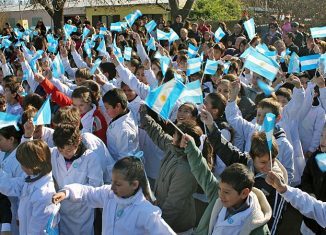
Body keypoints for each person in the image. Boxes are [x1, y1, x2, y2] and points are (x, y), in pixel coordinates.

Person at [200, 107, 287, 234]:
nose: (269, 166)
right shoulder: (242, 161)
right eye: (263, 162)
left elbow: (274, 217)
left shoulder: (277, 181)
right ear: (252, 157)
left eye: (272, 161)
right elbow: (223, 146)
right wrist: (210, 125)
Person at [52, 157, 176, 235]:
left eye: (118, 184)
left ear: (134, 184)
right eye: (112, 182)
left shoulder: (146, 212)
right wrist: (66, 192)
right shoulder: (108, 195)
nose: (112, 187)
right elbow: (87, 193)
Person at [182, 131, 271, 234]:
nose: (221, 195)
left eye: (227, 192)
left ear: (244, 193)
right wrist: (191, 149)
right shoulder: (218, 195)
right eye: (220, 189)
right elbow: (203, 172)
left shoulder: (257, 226)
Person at [0, 140, 57, 234]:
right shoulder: (32, 178)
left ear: (32, 165)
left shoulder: (43, 194)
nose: (21, 167)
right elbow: (11, 186)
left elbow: (37, 231)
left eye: (22, 164)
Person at [300, 124, 326, 234]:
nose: (323, 142)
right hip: (309, 221)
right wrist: (309, 192)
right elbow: (306, 176)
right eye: (321, 135)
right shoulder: (318, 156)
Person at [103, 88, 139, 160]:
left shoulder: (123, 130)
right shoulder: (125, 111)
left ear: (118, 106)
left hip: (121, 166)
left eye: (107, 108)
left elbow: (125, 157)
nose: (106, 111)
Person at [0, 126, 24, 235]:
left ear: (11, 139)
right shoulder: (2, 152)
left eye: (0, 139)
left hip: (14, 209)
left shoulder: (21, 159)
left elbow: (22, 188)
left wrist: (20, 214)